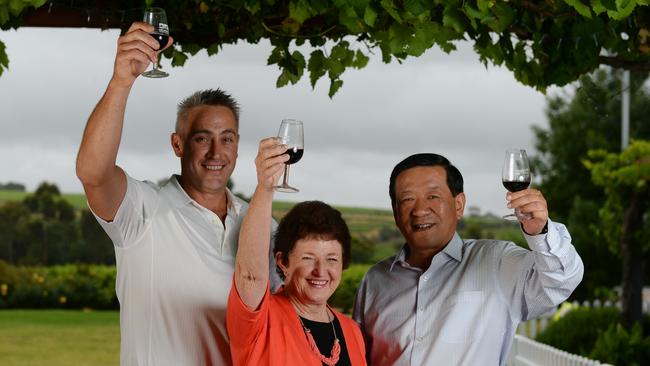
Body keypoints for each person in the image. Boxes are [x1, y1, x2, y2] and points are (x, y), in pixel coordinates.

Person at [76, 22, 279, 366]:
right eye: (202, 138)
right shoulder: (143, 210)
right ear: (178, 144)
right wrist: (122, 81)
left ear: (238, 145)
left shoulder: (263, 225)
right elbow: (93, 173)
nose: (216, 152)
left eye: (227, 138)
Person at [353, 153, 584, 366]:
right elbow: (356, 356)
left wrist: (540, 232)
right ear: (395, 211)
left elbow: (561, 280)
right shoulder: (375, 280)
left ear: (459, 204)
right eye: (407, 200)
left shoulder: (497, 262)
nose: (420, 210)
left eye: (433, 196)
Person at [227, 137, 367, 365]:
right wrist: (265, 187)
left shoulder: (351, 332)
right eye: (308, 258)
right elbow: (250, 276)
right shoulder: (262, 319)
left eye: (331, 259)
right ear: (282, 261)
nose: (321, 271)